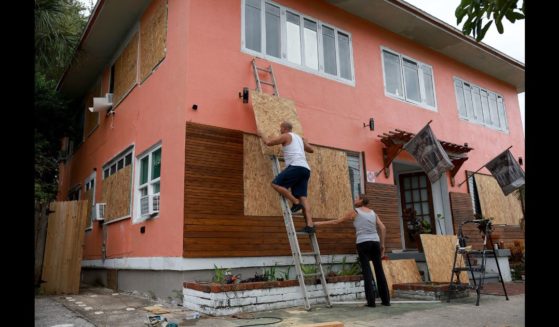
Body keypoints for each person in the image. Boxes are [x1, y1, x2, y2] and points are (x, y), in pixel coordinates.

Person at [314, 195, 390, 307]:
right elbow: (383, 228)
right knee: (379, 271)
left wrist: (318, 223)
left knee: (367, 271)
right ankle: (386, 301)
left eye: (356, 198)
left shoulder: (355, 212)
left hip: (363, 242)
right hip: (375, 242)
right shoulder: (373, 213)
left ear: (361, 201)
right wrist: (382, 245)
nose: (354, 200)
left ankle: (371, 302)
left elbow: (337, 222)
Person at [256, 121, 315, 233]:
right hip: (305, 169)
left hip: (296, 166)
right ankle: (310, 225)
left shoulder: (286, 136)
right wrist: (306, 142)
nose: (280, 130)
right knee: (303, 196)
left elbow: (268, 142)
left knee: (275, 184)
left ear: (285, 128)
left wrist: (261, 134)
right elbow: (311, 150)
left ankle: (295, 202)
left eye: (281, 128)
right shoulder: (299, 138)